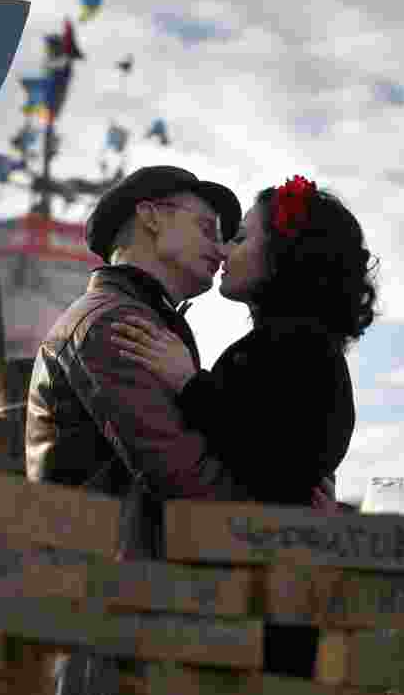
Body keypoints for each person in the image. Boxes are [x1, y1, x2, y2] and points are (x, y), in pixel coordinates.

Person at [23, 164, 248, 695]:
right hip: (107, 608)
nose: (220, 250)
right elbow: (180, 475)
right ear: (149, 217)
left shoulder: (144, 319)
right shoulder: (113, 323)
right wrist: (286, 522)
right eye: (205, 228)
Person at [109, 175, 378, 508]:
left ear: (284, 252)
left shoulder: (298, 351)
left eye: (239, 238)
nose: (222, 251)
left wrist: (189, 384)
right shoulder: (299, 347)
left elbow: (269, 455)